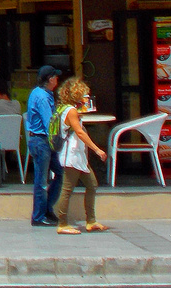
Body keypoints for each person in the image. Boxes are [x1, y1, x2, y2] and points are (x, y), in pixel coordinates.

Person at [53, 77, 109, 235]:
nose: (86, 96)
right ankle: (62, 224)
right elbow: (79, 132)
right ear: (76, 94)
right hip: (71, 155)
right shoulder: (70, 111)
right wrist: (97, 150)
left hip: (79, 156)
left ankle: (91, 220)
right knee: (67, 189)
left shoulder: (67, 109)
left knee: (92, 184)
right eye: (84, 93)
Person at [25, 65, 62, 227]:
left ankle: (47, 208)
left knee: (60, 173)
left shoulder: (43, 94)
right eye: (55, 77)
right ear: (50, 79)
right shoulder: (42, 97)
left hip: (42, 141)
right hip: (41, 141)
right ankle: (38, 216)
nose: (57, 80)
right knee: (41, 180)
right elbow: (50, 123)